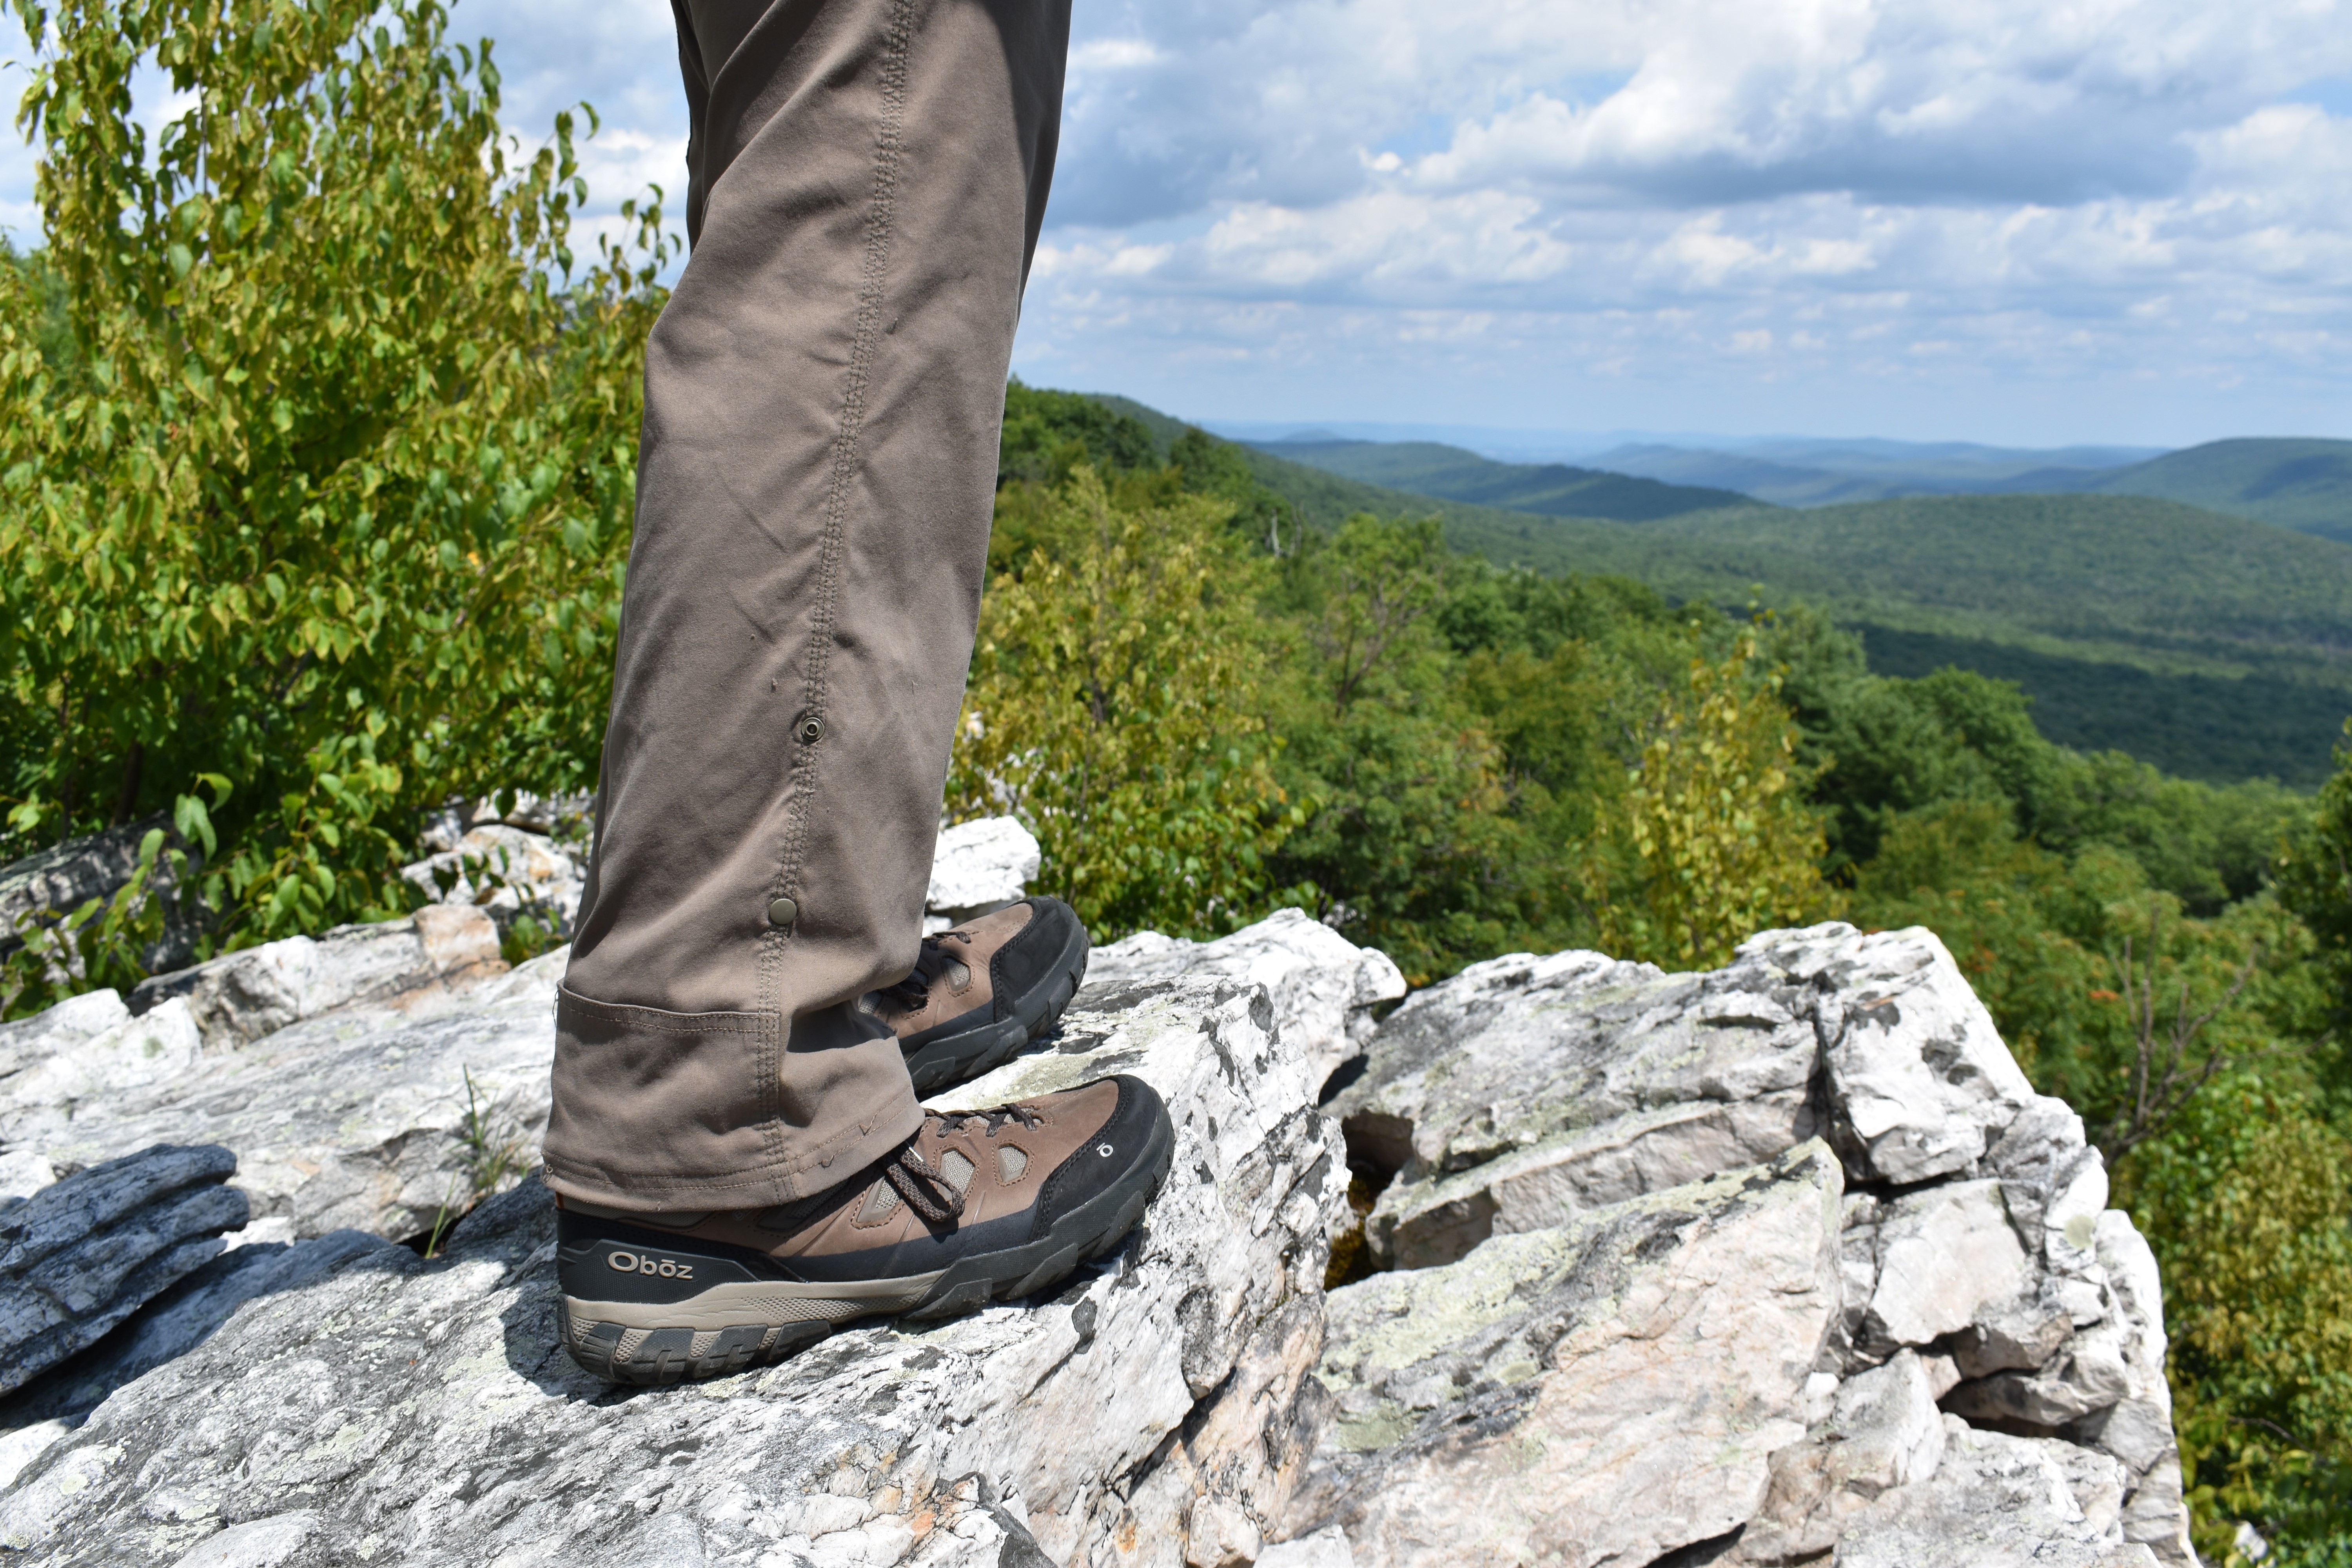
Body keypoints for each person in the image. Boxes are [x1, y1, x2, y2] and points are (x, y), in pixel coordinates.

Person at [538, 0, 1174, 1387]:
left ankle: (776, 988)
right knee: (877, 154)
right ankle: (733, 1114)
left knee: (819, 141)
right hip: (728, 1115)